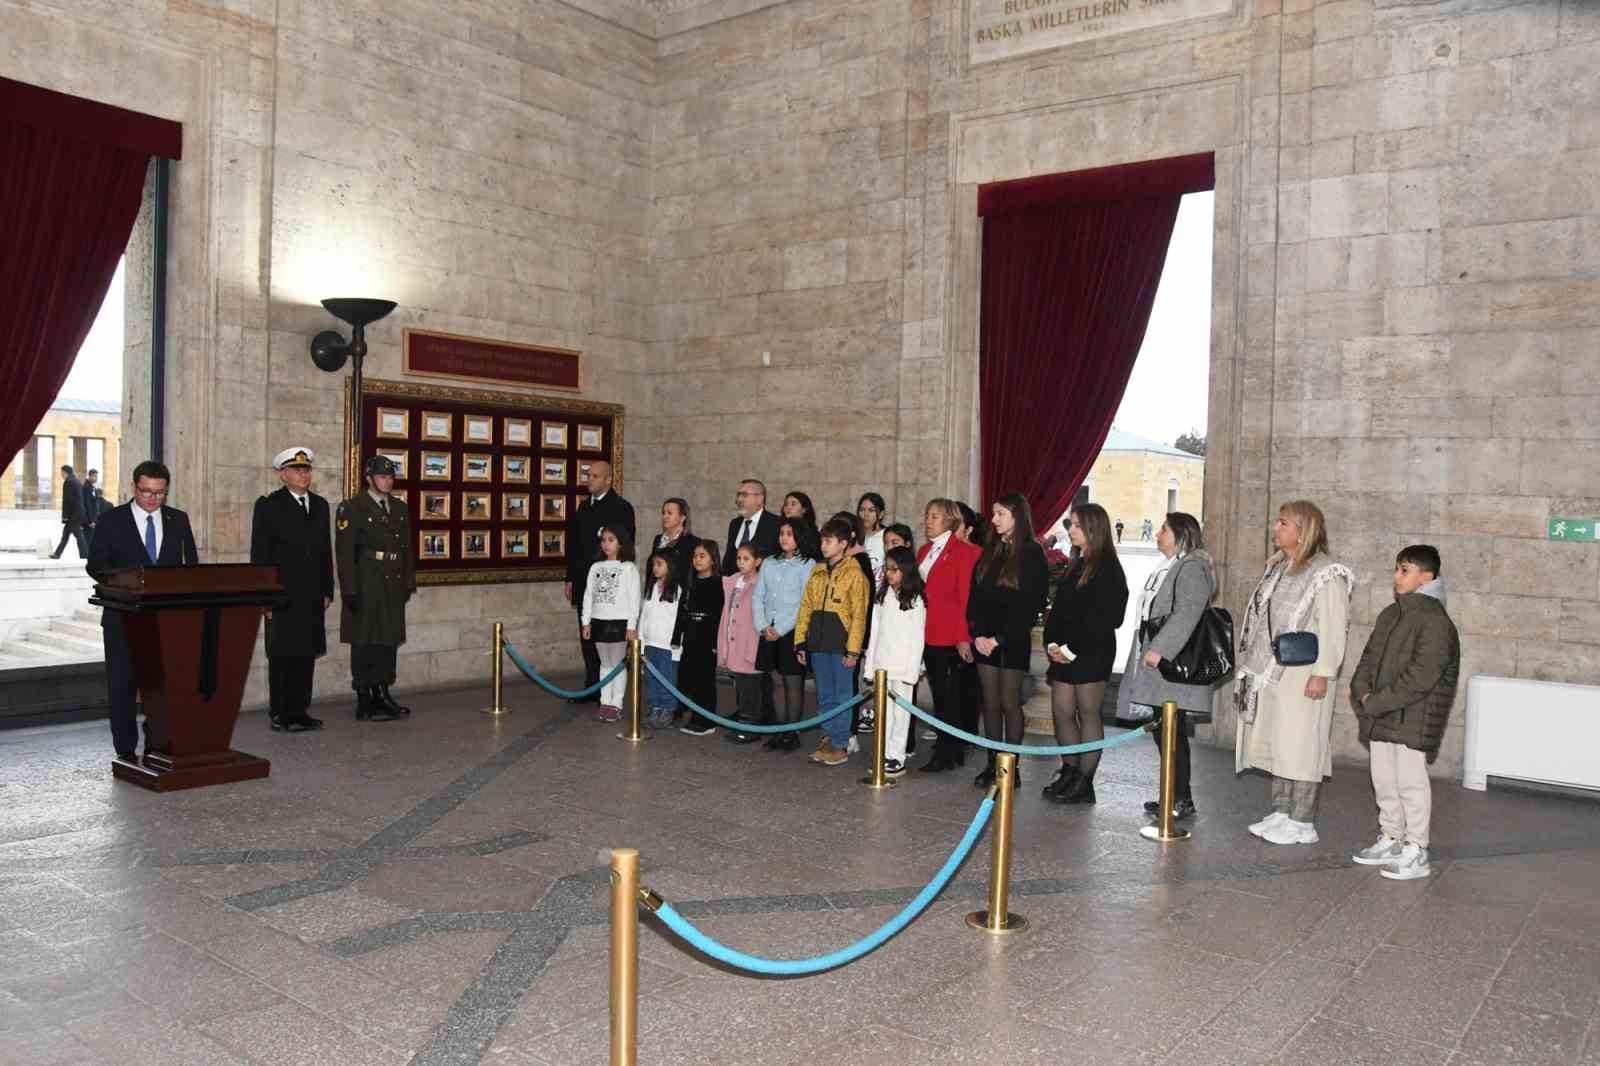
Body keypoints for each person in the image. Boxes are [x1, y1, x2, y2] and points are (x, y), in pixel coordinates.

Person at [1235, 500, 1355, 845]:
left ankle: (1302, 822)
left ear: (1303, 531)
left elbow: (1333, 627)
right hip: (1273, 671)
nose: (1275, 528)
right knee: (1280, 742)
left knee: (1302, 747)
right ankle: (1282, 811)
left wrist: (1323, 673)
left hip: (1305, 674)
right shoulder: (1280, 566)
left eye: (1283, 523)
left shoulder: (1327, 572)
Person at [1349, 545, 1460, 880]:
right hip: (1382, 713)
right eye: (1397, 569)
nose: (1397, 576)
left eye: (1405, 570)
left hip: (1414, 716)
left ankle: (1417, 849)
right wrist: (1362, 691)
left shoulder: (1436, 621)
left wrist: (1375, 702)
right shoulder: (1390, 614)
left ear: (1427, 577)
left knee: (1410, 783)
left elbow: (1422, 678)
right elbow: (1368, 659)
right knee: (1384, 780)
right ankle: (1392, 837)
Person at [85, 460, 199, 761]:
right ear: (134, 487)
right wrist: (127, 583)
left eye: (160, 494)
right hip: (123, 618)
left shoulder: (178, 520)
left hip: (166, 620)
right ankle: (124, 751)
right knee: (123, 686)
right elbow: (95, 565)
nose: (153, 499)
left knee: (161, 688)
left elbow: (192, 568)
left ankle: (156, 746)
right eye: (147, 492)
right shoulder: (111, 520)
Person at [1115, 512, 1216, 820]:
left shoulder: (1192, 566)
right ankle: (1173, 794)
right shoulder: (1174, 565)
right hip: (1162, 661)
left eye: (1164, 529)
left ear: (1181, 535)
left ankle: (1181, 798)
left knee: (1172, 733)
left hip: (1171, 663)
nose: (1157, 533)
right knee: (1166, 732)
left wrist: (1160, 648)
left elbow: (1187, 612)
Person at [1042, 504, 1128, 804]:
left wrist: (1071, 649)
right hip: (1064, 651)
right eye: (1071, 524)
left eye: (1077, 525)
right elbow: (1059, 609)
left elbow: (1107, 617)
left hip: (1091, 651)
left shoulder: (1108, 567)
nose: (1071, 529)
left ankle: (1085, 781)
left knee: (1088, 713)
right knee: (1062, 712)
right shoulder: (1077, 562)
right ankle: (1070, 769)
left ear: (1094, 528)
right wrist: (1052, 643)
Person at [967, 493, 1049, 789]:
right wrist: (977, 634)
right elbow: (974, 595)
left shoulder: (1032, 553)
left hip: (1011, 638)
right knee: (989, 702)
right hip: (983, 637)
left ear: (1016, 515)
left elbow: (1031, 604)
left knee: (1009, 701)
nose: (994, 519)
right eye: (993, 513)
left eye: (1000, 513)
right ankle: (992, 763)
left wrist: (998, 639)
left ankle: (1010, 767)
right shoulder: (991, 550)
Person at [250, 447, 334, 733]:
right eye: (297, 469)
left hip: (311, 594)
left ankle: (300, 710)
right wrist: (266, 597)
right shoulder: (269, 506)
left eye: (307, 469)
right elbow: (260, 554)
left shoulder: (321, 505)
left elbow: (325, 552)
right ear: (282, 474)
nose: (303, 474)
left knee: (306, 652)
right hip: (282, 595)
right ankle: (281, 712)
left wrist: (327, 589)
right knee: (282, 653)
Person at [336, 455, 416, 722]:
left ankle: (382, 692)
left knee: (388, 640)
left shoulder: (400, 508)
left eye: (390, 476)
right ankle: (364, 696)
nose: (387, 481)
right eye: (382, 476)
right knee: (364, 641)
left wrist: (408, 581)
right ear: (369, 478)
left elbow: (406, 548)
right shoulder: (352, 508)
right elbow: (345, 553)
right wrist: (349, 589)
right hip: (366, 581)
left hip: (392, 581)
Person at [795, 516, 871, 767]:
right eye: (822, 541)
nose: (823, 545)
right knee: (824, 694)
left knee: (842, 694)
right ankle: (827, 737)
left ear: (843, 544)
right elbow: (805, 607)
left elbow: (860, 614)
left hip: (841, 644)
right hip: (817, 642)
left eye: (828, 541)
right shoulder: (817, 571)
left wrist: (854, 649)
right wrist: (800, 641)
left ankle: (841, 743)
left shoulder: (855, 574)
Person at [915, 499, 981, 772]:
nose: (929, 521)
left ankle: (948, 750)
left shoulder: (967, 552)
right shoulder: (923, 551)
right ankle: (948, 747)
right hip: (927, 630)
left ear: (950, 521)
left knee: (950, 696)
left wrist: (963, 636)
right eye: (927, 515)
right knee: (940, 694)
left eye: (935, 516)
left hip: (950, 633)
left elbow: (965, 598)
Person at [566, 461, 635, 704]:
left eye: (595, 476)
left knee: (610, 640)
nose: (589, 480)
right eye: (588, 475)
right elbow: (573, 545)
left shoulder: (622, 508)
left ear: (608, 480)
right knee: (588, 634)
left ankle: (612, 690)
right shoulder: (584, 507)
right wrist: (570, 578)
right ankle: (592, 685)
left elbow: (626, 546)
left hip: (612, 584)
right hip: (586, 581)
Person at [750, 517, 818, 751]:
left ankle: (792, 731)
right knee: (776, 680)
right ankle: (779, 729)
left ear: (799, 537)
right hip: (768, 629)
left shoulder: (807, 565)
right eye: (782, 533)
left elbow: (804, 603)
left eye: (789, 533)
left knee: (792, 682)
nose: (784, 538)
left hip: (791, 631)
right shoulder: (769, 562)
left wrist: (780, 630)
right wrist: (762, 625)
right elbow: (758, 596)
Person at [863, 545, 926, 778]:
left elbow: (918, 638)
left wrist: (912, 671)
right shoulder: (882, 597)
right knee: (883, 714)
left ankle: (896, 756)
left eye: (895, 569)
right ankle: (883, 752)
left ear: (906, 571)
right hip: (882, 666)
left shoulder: (916, 599)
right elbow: (875, 634)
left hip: (903, 668)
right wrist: (870, 667)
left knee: (901, 715)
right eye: (887, 569)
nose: (890, 574)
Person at [581, 526, 640, 723]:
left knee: (617, 665)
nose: (606, 544)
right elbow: (588, 595)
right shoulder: (595, 567)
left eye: (611, 540)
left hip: (618, 622)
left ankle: (616, 704)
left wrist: (632, 626)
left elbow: (634, 599)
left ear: (621, 542)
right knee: (605, 664)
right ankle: (605, 701)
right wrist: (586, 621)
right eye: (604, 540)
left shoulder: (628, 568)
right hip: (598, 621)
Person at [676, 540, 724, 736]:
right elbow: (683, 612)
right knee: (689, 677)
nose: (697, 559)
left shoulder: (718, 584)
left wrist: (715, 644)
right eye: (695, 555)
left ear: (713, 559)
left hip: (707, 641)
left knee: (705, 680)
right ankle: (693, 715)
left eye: (702, 556)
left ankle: (706, 720)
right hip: (690, 639)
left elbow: (718, 616)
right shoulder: (690, 583)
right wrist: (678, 637)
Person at [718, 542, 765, 736]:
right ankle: (742, 719)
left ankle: (750, 725)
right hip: (733, 640)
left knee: (750, 686)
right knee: (739, 682)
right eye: (739, 558)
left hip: (750, 642)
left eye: (746, 559)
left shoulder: (760, 584)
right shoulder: (733, 581)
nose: (741, 562)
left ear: (758, 561)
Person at [637, 550, 683, 729]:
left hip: (667, 646)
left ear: (670, 566)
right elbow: (644, 617)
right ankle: (655, 707)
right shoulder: (651, 588)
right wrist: (640, 643)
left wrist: (678, 647)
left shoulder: (677, 590)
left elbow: (679, 621)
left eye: (659, 564)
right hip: (650, 644)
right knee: (651, 679)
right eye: (653, 564)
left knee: (667, 679)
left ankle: (667, 709)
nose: (655, 568)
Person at [722, 479, 781, 574]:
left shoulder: (776, 523)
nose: (738, 500)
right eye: (738, 495)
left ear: (759, 499)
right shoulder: (734, 524)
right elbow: (728, 559)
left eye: (744, 495)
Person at [652, 497, 699, 594]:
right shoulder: (658, 540)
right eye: (663, 513)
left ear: (682, 517)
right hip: (656, 594)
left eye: (669, 513)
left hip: (679, 596)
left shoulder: (693, 542)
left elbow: (692, 575)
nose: (665, 516)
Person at [51, 464, 88, 560]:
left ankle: (85, 555)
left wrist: (65, 516)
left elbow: (68, 501)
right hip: (77, 513)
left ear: (64, 472)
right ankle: (57, 554)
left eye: (61, 473)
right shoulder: (77, 481)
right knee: (66, 535)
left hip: (73, 515)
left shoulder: (68, 482)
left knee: (78, 535)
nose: (61, 475)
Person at [857, 492, 888, 585]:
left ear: (881, 514)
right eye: (862, 510)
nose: (865, 514)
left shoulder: (886, 537)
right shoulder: (855, 537)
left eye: (871, 510)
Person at [81, 469, 105, 545]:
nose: (96, 478)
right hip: (89, 522)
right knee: (89, 541)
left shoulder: (92, 487)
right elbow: (88, 505)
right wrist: (90, 521)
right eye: (94, 476)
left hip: (93, 520)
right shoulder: (87, 488)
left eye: (96, 476)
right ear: (90, 476)